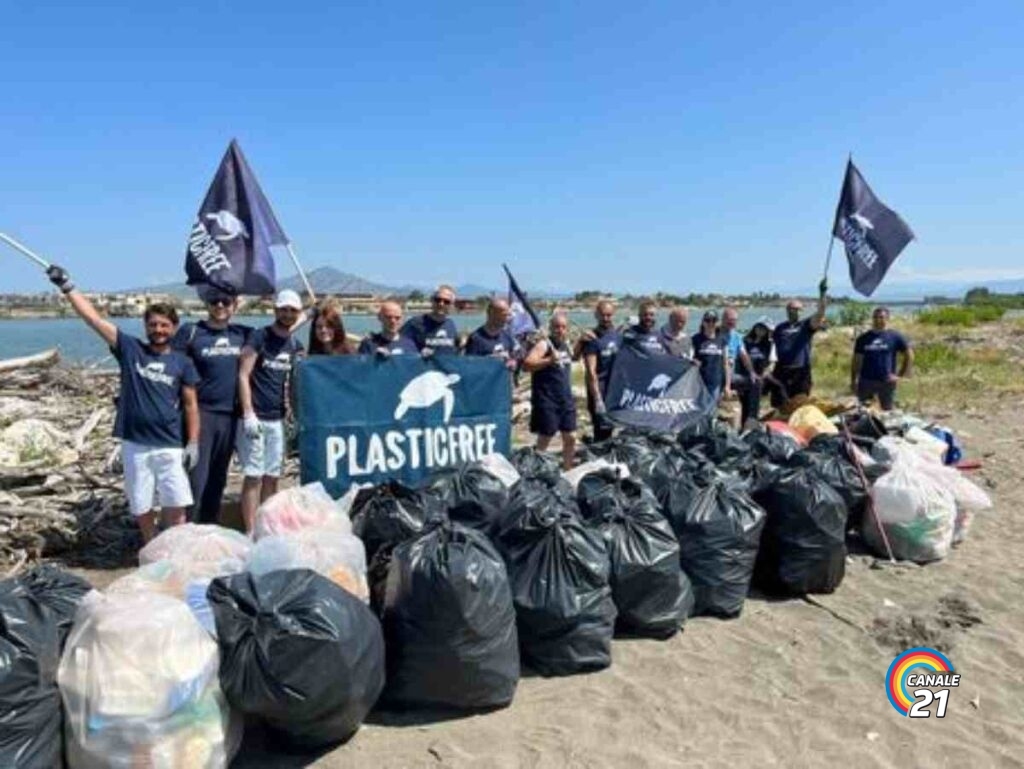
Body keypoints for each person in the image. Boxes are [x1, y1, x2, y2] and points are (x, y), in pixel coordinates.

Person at [45, 264, 198, 543]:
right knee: (141, 504)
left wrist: (194, 442)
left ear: (174, 328)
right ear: (146, 327)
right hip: (135, 443)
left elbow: (190, 405)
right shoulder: (130, 350)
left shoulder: (182, 362)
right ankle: (151, 548)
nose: (159, 330)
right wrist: (67, 286)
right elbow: (93, 320)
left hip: (170, 445)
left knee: (176, 503)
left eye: (164, 325)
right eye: (153, 325)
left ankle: (177, 551)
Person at [173, 286, 251, 524]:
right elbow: (169, 365)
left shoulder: (242, 334)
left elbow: (279, 334)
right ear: (206, 303)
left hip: (230, 417)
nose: (220, 306)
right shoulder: (191, 332)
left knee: (218, 480)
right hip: (201, 415)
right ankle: (188, 530)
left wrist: (309, 314)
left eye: (226, 302)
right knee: (197, 479)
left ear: (235, 305)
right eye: (214, 301)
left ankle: (208, 531)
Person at [237, 289, 305, 534]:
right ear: (275, 310)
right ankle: (250, 530)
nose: (287, 314)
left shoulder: (295, 344)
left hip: (277, 419)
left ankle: (265, 527)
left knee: (272, 476)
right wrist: (248, 413)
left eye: (293, 311)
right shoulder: (259, 337)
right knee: (253, 476)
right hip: (255, 418)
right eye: (283, 309)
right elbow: (243, 375)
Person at [523, 312, 577, 470]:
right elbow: (527, 364)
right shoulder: (544, 345)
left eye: (563, 327)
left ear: (567, 329)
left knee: (571, 437)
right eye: (556, 327)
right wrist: (549, 360)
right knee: (545, 438)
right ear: (550, 328)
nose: (560, 330)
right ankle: (534, 471)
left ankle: (568, 471)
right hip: (547, 399)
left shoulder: (566, 345)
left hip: (565, 399)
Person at [769, 280, 828, 407]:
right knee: (781, 405)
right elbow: (768, 347)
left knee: (800, 406)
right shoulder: (779, 328)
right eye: (790, 308)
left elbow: (820, 313)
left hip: (801, 371)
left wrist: (822, 293)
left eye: (796, 309)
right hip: (781, 371)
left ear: (801, 311)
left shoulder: (806, 325)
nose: (793, 311)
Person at [851, 307, 914, 410]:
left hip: (886, 382)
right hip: (866, 381)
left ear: (887, 319)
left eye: (881, 317)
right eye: (875, 317)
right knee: (863, 411)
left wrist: (900, 375)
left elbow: (909, 354)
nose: (878, 320)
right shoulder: (863, 338)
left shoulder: (895, 336)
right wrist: (853, 380)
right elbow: (856, 361)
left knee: (887, 412)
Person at [580, 299, 622, 442]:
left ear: (613, 314)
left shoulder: (618, 335)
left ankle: (606, 458)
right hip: (599, 391)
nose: (606, 318)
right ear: (596, 315)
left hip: (614, 391)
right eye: (602, 315)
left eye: (609, 315)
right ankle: (599, 460)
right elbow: (591, 371)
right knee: (601, 431)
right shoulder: (592, 338)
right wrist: (597, 398)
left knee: (611, 430)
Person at [401, 284, 459, 356]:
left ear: (452, 305)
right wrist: (418, 353)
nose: (441, 304)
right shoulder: (414, 323)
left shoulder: (451, 325)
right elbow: (399, 345)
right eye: (438, 300)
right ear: (432, 300)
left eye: (446, 302)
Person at [738, 318, 777, 425]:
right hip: (745, 379)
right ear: (755, 327)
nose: (761, 330)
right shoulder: (744, 341)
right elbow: (739, 359)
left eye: (764, 329)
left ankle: (751, 427)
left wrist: (766, 372)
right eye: (759, 327)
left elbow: (772, 362)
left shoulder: (770, 345)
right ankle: (743, 428)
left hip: (759, 380)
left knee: (754, 406)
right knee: (745, 405)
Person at [463, 298, 520, 369]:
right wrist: (489, 361)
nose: (508, 319)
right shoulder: (476, 338)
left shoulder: (507, 335)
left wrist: (513, 361)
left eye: (509, 315)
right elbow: (469, 366)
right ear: (491, 314)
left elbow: (515, 356)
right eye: (505, 315)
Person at [691, 310, 729, 405]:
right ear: (703, 322)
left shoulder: (722, 340)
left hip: (715, 382)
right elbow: (689, 358)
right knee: (698, 407)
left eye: (714, 320)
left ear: (717, 323)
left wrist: (727, 385)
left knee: (711, 409)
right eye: (708, 320)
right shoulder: (695, 339)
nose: (711, 323)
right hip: (698, 381)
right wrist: (693, 361)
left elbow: (725, 364)